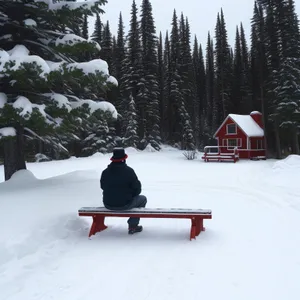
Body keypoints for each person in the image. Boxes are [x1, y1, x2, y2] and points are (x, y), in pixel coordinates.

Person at [100, 147, 147, 234]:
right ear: (124, 159)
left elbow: (102, 186)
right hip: (125, 204)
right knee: (143, 199)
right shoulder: (129, 171)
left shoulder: (105, 172)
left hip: (108, 204)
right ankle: (133, 225)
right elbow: (137, 190)